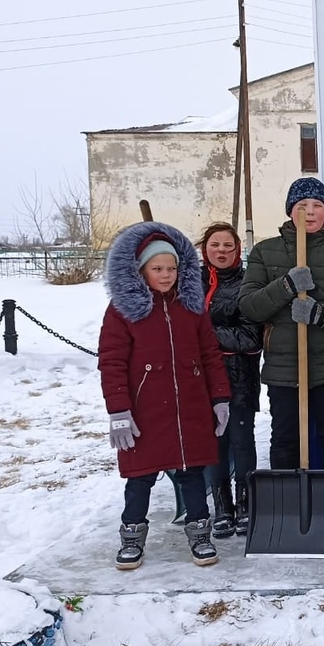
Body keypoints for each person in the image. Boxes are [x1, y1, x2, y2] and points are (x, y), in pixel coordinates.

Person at [98, 221, 231, 570]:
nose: (166, 275)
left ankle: (200, 533)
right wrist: (119, 411)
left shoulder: (191, 307)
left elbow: (210, 354)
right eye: (157, 268)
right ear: (141, 270)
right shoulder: (123, 311)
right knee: (140, 476)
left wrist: (219, 398)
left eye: (172, 268)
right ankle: (132, 537)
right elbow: (111, 362)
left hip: (189, 407)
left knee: (191, 473)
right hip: (145, 412)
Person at [239, 178, 324, 471]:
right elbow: (250, 306)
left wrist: (320, 313)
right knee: (285, 438)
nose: (309, 211)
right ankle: (287, 505)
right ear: (290, 210)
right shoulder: (265, 251)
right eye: (302, 205)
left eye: (317, 205)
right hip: (283, 369)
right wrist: (286, 285)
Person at [199, 222, 262, 539]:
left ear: (238, 250)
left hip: (238, 376)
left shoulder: (248, 285)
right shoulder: (189, 284)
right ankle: (222, 506)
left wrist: (205, 336)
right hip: (202, 380)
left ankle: (246, 504)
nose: (221, 251)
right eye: (215, 245)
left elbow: (250, 337)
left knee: (241, 440)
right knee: (214, 444)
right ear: (204, 249)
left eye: (228, 245)